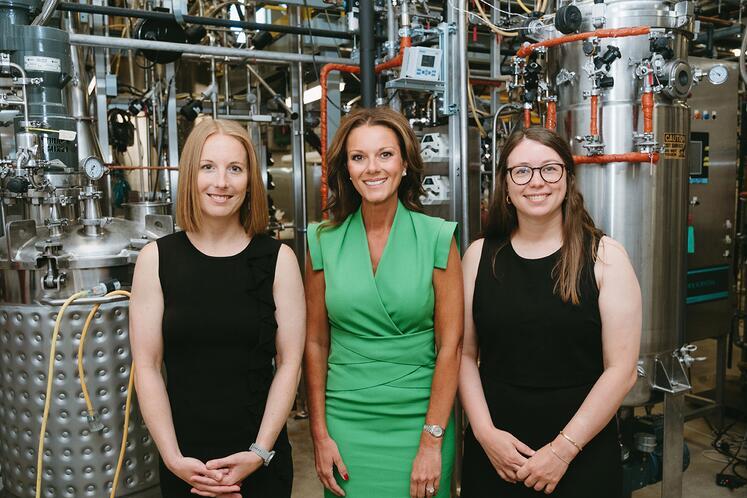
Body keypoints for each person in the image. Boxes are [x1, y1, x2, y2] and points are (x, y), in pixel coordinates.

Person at [459, 127, 641, 497]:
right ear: (506, 186)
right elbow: (463, 354)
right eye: (521, 171)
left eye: (549, 169)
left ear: (567, 179)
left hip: (582, 453)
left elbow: (621, 371)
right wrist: (485, 435)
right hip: (496, 454)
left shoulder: (605, 257)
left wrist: (562, 451)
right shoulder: (479, 256)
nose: (536, 182)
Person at [130, 119, 305, 498]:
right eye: (208, 167)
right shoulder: (156, 259)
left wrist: (259, 453)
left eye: (235, 169)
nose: (221, 182)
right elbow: (146, 365)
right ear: (191, 174)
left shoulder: (278, 260)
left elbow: (290, 363)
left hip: (260, 458)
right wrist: (174, 459)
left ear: (249, 181)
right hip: (186, 465)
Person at [304, 107, 463, 498]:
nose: (372, 168)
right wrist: (320, 434)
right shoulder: (322, 240)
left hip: (421, 423)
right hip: (346, 423)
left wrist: (431, 440)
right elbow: (315, 344)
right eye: (359, 157)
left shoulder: (438, 239)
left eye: (385, 155)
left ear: (406, 164)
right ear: (347, 169)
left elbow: (450, 347)